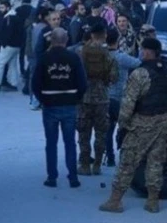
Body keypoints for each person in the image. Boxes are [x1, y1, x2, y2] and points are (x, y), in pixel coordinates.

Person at [99, 38, 167, 213]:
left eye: (143, 50)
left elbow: (128, 104)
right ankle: (152, 201)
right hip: (162, 123)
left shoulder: (139, 74)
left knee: (128, 162)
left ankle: (115, 200)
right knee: (155, 163)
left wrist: (123, 125)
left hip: (141, 124)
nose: (141, 53)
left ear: (148, 51)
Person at [33, 28, 87, 188]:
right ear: (66, 40)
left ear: (51, 40)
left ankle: (52, 177)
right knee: (70, 142)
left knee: (51, 142)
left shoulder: (44, 58)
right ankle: (73, 177)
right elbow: (83, 83)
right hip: (69, 105)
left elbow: (35, 84)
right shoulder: (73, 58)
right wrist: (76, 98)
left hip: (50, 105)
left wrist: (43, 99)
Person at [77, 21, 118, 176]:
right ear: (104, 35)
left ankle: (85, 165)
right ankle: (98, 166)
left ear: (91, 35)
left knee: (84, 133)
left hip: (84, 97)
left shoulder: (81, 51)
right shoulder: (107, 54)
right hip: (102, 97)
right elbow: (113, 77)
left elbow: (77, 74)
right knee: (101, 133)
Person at [105, 28, 141, 167]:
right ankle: (125, 156)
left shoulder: (102, 56)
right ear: (118, 40)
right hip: (120, 98)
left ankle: (110, 158)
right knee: (125, 128)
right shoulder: (122, 57)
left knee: (108, 131)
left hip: (105, 97)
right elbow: (139, 63)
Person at [0, 1, 23, 92]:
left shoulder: (8, 19)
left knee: (1, 64)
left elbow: (6, 33)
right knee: (13, 65)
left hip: (8, 45)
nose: (1, 9)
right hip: (17, 46)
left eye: (2, 7)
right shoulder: (17, 17)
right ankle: (13, 84)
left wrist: (3, 43)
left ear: (8, 8)